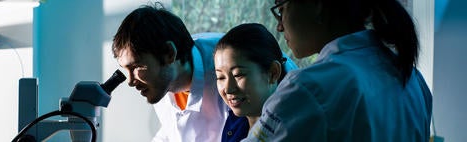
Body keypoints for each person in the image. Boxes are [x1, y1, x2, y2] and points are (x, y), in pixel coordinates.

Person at [243, 0, 433, 141]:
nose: (279, 25)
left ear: (317, 6)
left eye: (282, 8)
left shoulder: (307, 88)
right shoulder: (413, 80)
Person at [112, 3, 227, 142]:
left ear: (169, 53)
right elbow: (173, 130)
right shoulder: (162, 81)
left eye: (137, 66)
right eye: (126, 69)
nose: (130, 81)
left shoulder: (227, 66)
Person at [213, 23, 297, 142]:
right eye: (220, 77)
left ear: (273, 73)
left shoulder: (293, 129)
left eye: (238, 75)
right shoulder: (235, 122)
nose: (228, 89)